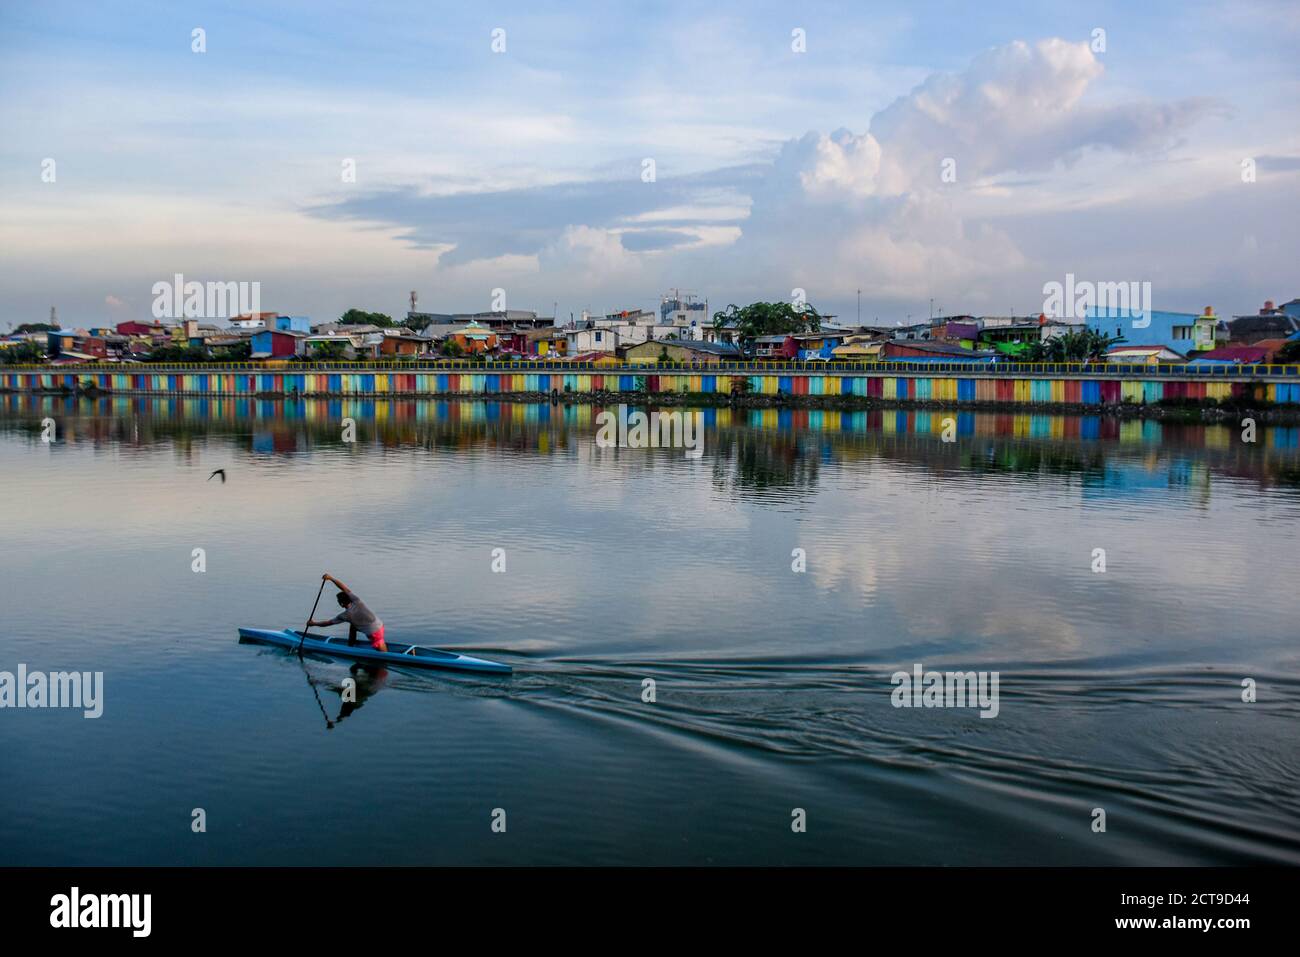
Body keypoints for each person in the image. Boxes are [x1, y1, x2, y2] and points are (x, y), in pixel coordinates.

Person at [308, 573, 387, 652]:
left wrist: (313, 623)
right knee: (353, 627)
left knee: (383, 654)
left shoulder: (345, 615)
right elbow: (343, 588)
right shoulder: (356, 600)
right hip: (380, 625)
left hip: (374, 633)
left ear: (342, 604)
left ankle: (387, 655)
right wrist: (331, 578)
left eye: (338, 601)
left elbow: (327, 623)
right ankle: (351, 646)